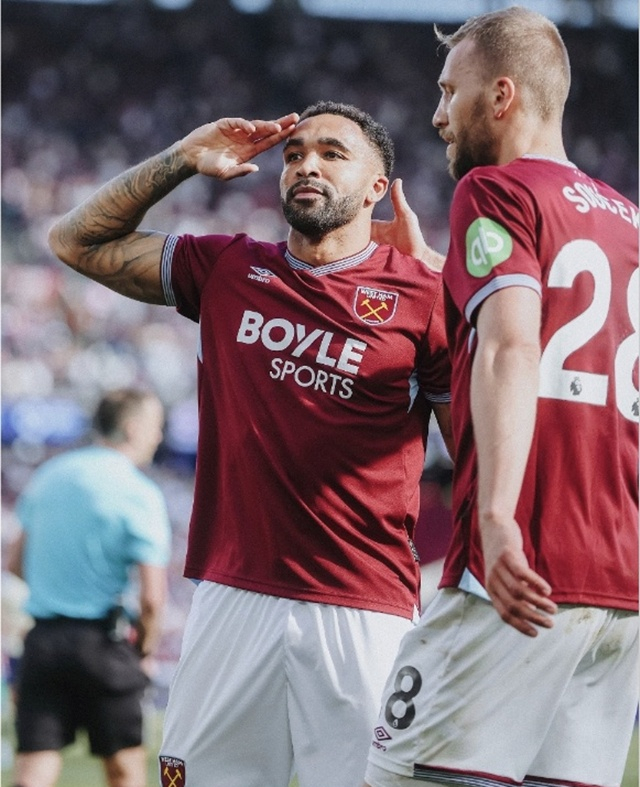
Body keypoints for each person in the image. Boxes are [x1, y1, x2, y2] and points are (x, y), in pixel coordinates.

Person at [46, 101, 453, 787]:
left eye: (332, 153)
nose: (307, 165)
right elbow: (74, 242)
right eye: (294, 154)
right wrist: (182, 158)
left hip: (365, 607)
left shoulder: (425, 296)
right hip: (231, 597)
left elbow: (479, 447)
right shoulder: (229, 268)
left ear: (377, 188)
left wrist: (445, 273)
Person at [363, 7, 639, 787]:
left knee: (400, 774)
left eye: (450, 91)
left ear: (502, 94)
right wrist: (441, 267)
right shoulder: (629, 223)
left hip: (520, 566)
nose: (437, 114)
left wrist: (495, 518)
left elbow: (516, 344)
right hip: (620, 584)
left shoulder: (495, 189)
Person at [8, 388, 171, 787]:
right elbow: (152, 598)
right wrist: (144, 650)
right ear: (132, 427)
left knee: (33, 771)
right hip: (105, 645)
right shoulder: (138, 490)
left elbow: (15, 562)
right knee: (124, 771)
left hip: (43, 640)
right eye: (155, 426)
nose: (159, 436)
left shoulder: (50, 474)